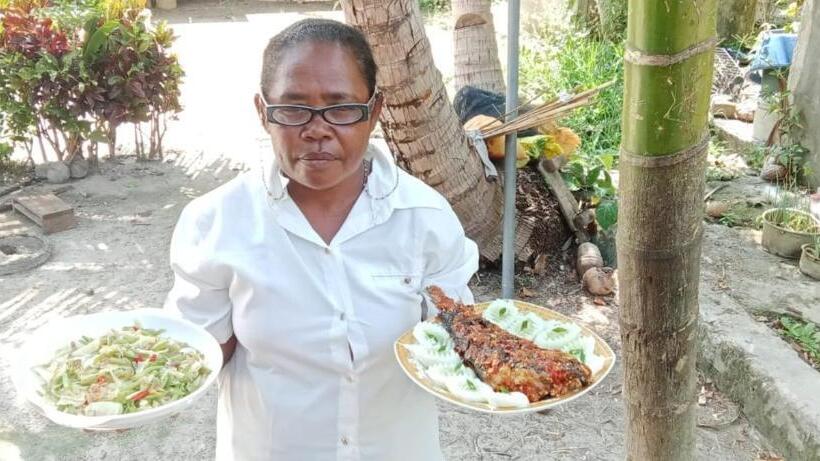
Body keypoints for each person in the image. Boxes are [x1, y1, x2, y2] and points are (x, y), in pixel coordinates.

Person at [164, 18, 478, 461]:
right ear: (262, 111)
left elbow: (456, 337)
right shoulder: (216, 223)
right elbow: (195, 352)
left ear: (374, 111)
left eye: (342, 107)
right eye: (292, 109)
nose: (317, 129)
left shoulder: (424, 219)